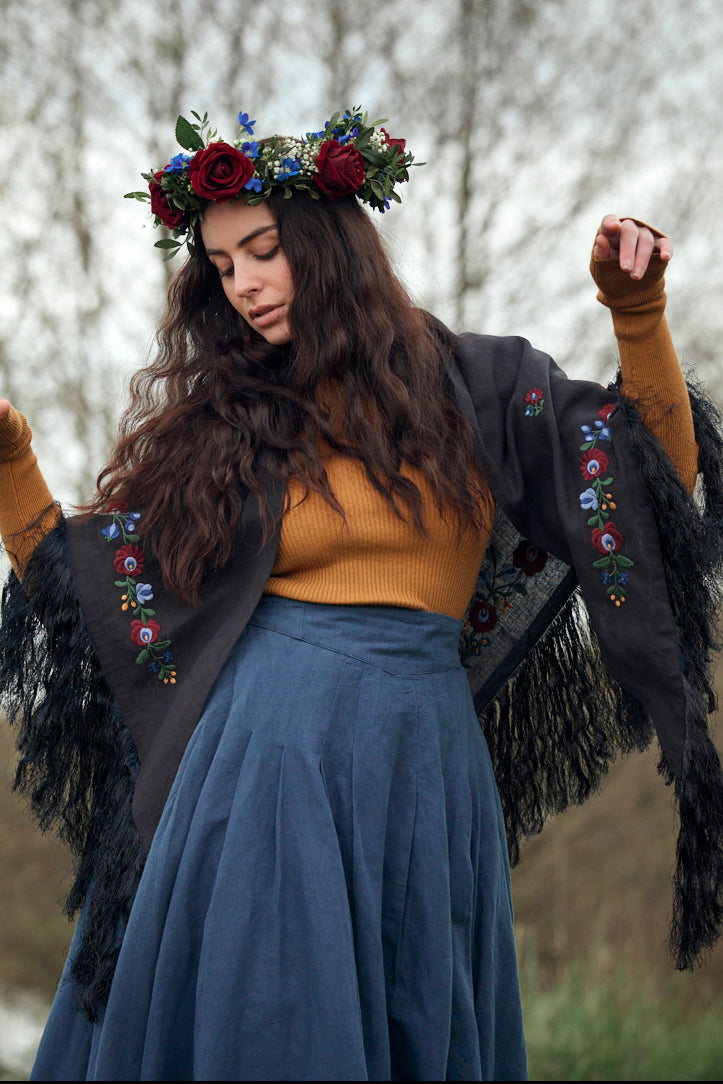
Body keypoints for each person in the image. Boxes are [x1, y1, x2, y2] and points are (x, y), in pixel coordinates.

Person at [1, 107, 722, 1082]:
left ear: (331, 245)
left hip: (419, 771)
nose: (243, 282)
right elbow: (84, 592)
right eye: (221, 265)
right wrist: (12, 463)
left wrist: (636, 316)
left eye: (262, 249)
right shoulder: (226, 428)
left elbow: (650, 496)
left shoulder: (480, 388)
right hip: (257, 774)